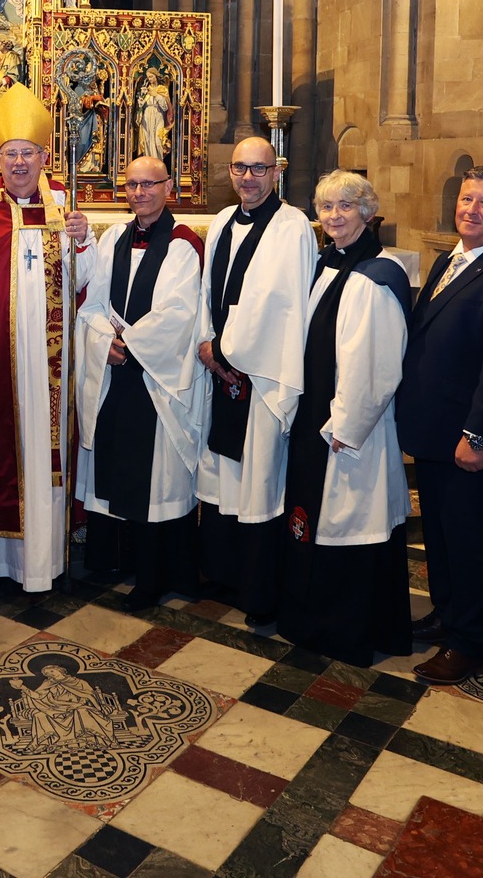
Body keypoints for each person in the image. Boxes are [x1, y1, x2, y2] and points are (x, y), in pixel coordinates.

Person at [396, 164, 483, 684]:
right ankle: (446, 612)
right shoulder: (445, 262)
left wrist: (477, 435)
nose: (471, 210)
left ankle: (469, 640)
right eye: (466, 199)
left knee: (472, 540)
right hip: (435, 432)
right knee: (438, 533)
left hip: (469, 439)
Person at [0, 83, 94, 593]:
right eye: (9, 153)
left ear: (44, 156)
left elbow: (85, 283)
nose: (18, 162)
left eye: (27, 153)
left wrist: (82, 239)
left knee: (47, 449)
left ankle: (44, 562)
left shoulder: (65, 210)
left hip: (50, 366)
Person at [279, 170, 414, 665]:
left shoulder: (375, 275)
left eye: (345, 206)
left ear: (367, 211)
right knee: (319, 520)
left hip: (349, 435)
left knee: (349, 523)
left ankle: (345, 631)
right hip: (316, 421)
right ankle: (312, 620)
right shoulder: (327, 264)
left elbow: (375, 367)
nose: (334, 216)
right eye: (326, 206)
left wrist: (345, 427)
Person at [75, 155, 204, 609]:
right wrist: (100, 343)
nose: (139, 193)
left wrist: (128, 345)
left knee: (157, 479)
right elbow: (91, 305)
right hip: (116, 372)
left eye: (150, 184)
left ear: (170, 188)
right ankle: (116, 559)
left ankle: (154, 574)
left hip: (155, 381)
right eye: (132, 185)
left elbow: (180, 314)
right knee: (118, 467)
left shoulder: (183, 245)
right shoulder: (112, 238)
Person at [195, 135, 315, 623]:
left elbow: (286, 306)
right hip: (221, 367)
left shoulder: (294, 228)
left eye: (259, 169)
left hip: (264, 375)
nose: (248, 178)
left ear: (277, 171)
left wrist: (229, 352)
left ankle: (258, 589)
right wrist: (207, 344)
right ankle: (224, 576)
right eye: (240, 168)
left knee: (261, 479)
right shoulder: (221, 222)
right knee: (226, 478)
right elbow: (208, 291)